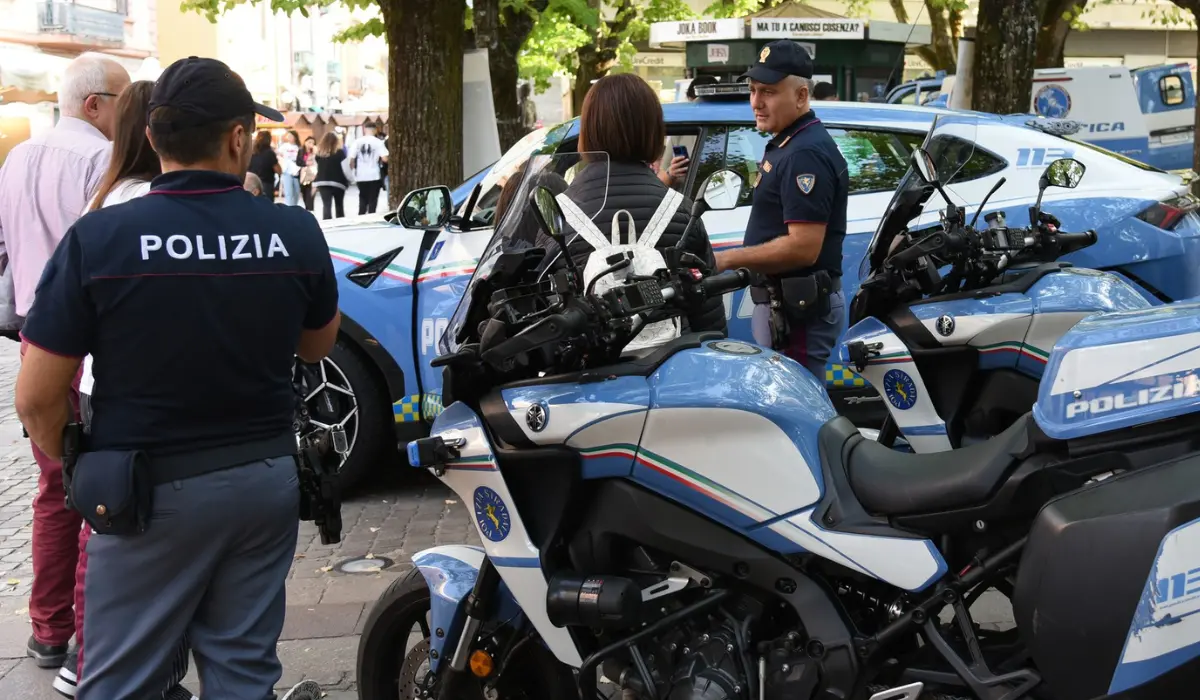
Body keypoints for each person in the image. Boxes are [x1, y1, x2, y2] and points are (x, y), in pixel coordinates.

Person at [12, 56, 338, 700]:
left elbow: (36, 396)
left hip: (144, 490)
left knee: (123, 681)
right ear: (238, 138)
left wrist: (75, 465)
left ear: (151, 136)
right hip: (262, 480)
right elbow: (316, 345)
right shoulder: (293, 231)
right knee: (244, 671)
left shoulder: (100, 237)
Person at [0, 51, 130, 683]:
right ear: (94, 103)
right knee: (94, 487)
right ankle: (86, 634)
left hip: (36, 340)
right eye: (124, 100)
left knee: (54, 488)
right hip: (85, 345)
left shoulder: (18, 157)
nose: (130, 113)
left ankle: (49, 629)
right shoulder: (99, 159)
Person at [69, 78, 197, 700]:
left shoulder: (103, 203)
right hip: (156, 395)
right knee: (152, 540)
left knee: (111, 528)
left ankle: (93, 650)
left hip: (103, 390)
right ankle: (132, 665)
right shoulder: (152, 204)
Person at [714, 40, 849, 380]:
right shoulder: (791, 143)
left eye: (768, 92)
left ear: (801, 96)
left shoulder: (804, 153)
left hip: (797, 311)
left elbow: (803, 247)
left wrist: (728, 259)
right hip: (786, 307)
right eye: (753, 90)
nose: (756, 102)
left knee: (798, 402)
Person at [563, 73, 726, 336]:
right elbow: (709, 319)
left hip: (590, 361)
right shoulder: (682, 211)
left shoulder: (558, 215)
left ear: (588, 129)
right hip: (671, 357)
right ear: (652, 130)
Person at [351, 122, 387, 215]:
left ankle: (361, 216)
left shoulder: (357, 142)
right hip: (374, 175)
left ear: (364, 129)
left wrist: (353, 171)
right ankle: (371, 216)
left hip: (361, 175)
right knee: (373, 200)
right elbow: (385, 158)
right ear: (375, 130)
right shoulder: (378, 142)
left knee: (362, 198)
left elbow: (351, 159)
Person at [314, 131, 351, 220]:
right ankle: (340, 223)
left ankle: (327, 224)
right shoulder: (340, 153)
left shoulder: (319, 154)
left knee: (326, 205)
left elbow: (317, 168)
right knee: (339, 205)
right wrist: (351, 179)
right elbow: (345, 169)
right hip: (338, 183)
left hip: (322, 182)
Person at [248, 130, 279, 200]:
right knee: (266, 204)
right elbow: (278, 170)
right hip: (266, 184)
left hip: (251, 182)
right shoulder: (270, 153)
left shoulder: (251, 151)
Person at [278, 129, 302, 206]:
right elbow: (278, 155)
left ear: (295, 137)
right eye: (288, 136)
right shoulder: (284, 146)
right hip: (286, 171)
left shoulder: (299, 147)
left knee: (296, 192)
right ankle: (289, 207)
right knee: (289, 192)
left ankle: (294, 206)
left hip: (297, 172)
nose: (289, 137)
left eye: (291, 136)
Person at [299, 135, 317, 211]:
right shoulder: (301, 151)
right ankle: (307, 208)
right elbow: (298, 161)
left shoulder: (315, 152)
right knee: (304, 193)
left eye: (313, 143)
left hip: (313, 174)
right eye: (309, 142)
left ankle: (310, 209)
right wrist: (305, 163)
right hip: (303, 175)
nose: (311, 144)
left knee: (310, 194)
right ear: (305, 142)